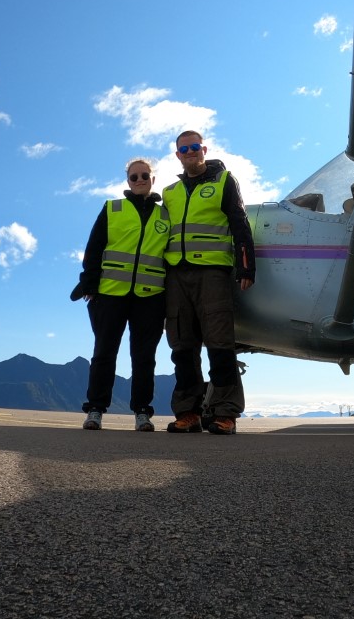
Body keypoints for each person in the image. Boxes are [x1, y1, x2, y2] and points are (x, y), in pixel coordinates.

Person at [162, 130, 255, 435]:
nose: (189, 152)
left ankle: (225, 413)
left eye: (194, 147)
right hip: (176, 276)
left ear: (204, 149)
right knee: (182, 347)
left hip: (213, 273)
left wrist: (245, 268)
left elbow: (239, 223)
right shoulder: (170, 192)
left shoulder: (224, 181)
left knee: (220, 343)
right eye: (183, 148)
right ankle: (188, 413)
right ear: (178, 155)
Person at [70, 157, 170, 431]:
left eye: (144, 175)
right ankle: (95, 410)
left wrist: (169, 298)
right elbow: (94, 248)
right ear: (128, 181)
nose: (139, 180)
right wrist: (90, 285)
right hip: (110, 294)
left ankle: (142, 412)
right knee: (104, 353)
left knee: (144, 357)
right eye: (134, 177)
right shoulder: (112, 209)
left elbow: (170, 258)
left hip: (150, 297)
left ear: (153, 179)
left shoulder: (166, 215)